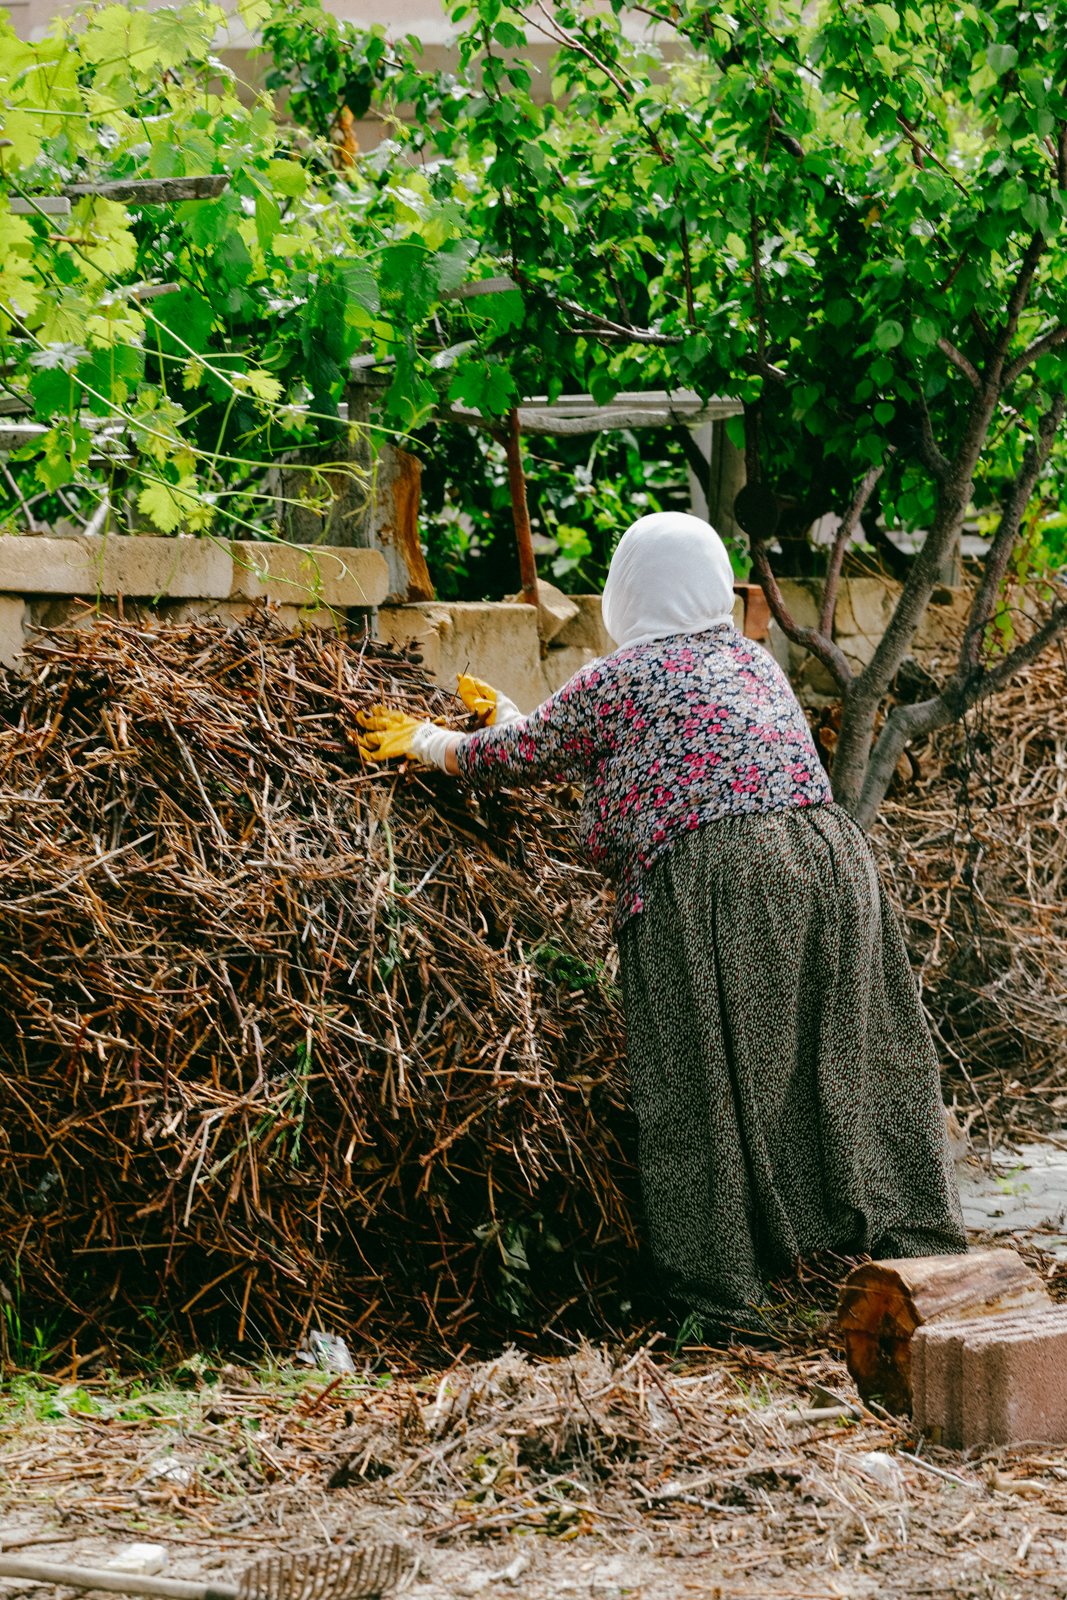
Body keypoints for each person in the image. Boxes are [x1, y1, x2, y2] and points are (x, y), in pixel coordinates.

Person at [358, 511, 967, 1333]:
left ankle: (719, 1299)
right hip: (828, 862)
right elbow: (623, 748)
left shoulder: (626, 675)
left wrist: (428, 742)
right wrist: (513, 714)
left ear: (627, 589)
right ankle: (912, 1248)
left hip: (716, 876)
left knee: (695, 1080)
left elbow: (522, 757)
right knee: (851, 1057)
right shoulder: (752, 659)